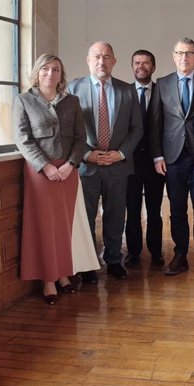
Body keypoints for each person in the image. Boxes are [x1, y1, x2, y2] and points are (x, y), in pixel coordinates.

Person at [13, 54, 99, 304]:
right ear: (37, 72)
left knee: (65, 226)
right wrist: (46, 167)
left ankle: (63, 274)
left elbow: (80, 139)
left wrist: (71, 165)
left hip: (68, 173)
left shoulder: (72, 101)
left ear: (62, 74)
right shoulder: (24, 100)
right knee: (44, 226)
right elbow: (23, 139)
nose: (51, 74)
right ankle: (48, 280)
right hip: (41, 175)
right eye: (46, 69)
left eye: (56, 70)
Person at [69, 42, 143, 282]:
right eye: (97, 57)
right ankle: (88, 264)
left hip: (118, 165)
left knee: (115, 215)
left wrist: (121, 153)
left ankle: (113, 260)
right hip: (87, 165)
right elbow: (68, 130)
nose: (102, 62)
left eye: (107, 57)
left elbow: (136, 129)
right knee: (86, 216)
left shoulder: (127, 90)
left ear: (114, 61)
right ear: (88, 60)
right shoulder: (73, 88)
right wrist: (86, 154)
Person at [149, 38, 194, 276]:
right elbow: (155, 122)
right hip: (172, 157)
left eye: (189, 53)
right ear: (173, 56)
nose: (184, 58)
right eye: (180, 53)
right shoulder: (162, 84)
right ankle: (180, 255)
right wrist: (157, 155)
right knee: (177, 209)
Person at [124, 49, 165, 268]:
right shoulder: (124, 92)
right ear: (132, 66)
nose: (141, 66)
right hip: (129, 162)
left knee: (154, 210)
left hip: (155, 162)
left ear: (153, 67)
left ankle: (156, 251)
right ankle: (133, 251)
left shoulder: (162, 92)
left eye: (146, 62)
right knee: (132, 210)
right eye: (137, 62)